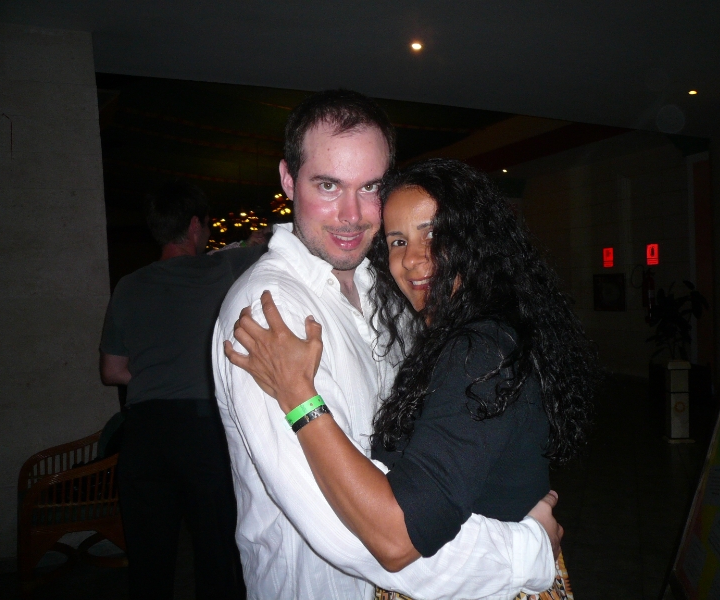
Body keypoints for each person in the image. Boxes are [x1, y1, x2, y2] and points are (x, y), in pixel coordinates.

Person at [212, 90, 563, 600]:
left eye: (371, 187)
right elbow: (363, 536)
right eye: (328, 185)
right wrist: (525, 551)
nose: (352, 215)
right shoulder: (270, 314)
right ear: (288, 179)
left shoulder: (391, 295)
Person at [99, 181, 263, 600]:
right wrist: (255, 238)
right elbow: (268, 244)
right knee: (217, 553)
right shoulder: (222, 268)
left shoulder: (128, 286)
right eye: (206, 226)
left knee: (149, 561)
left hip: (144, 433)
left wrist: (156, 375)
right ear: (194, 226)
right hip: (203, 432)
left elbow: (112, 371)